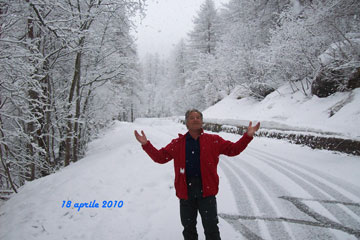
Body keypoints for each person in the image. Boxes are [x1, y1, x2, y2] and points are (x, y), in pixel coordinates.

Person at [134, 109, 260, 240]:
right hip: (185, 192)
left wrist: (248, 136)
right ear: (187, 123)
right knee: (189, 230)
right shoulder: (178, 143)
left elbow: (234, 149)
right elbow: (160, 158)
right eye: (191, 117)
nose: (195, 119)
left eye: (198, 117)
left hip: (207, 192)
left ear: (202, 122)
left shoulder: (213, 140)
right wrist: (146, 144)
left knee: (211, 229)